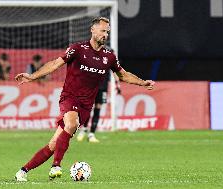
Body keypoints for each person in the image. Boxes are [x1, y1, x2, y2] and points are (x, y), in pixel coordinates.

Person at [14, 17, 155, 182]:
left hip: (86, 106)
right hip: (69, 97)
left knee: (53, 144)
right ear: (93, 30)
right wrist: (32, 76)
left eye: (107, 32)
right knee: (71, 124)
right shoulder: (77, 49)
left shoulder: (109, 57)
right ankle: (56, 166)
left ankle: (23, 171)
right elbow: (54, 64)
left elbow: (123, 75)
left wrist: (142, 82)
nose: (105, 34)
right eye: (102, 31)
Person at [76, 72, 121, 143]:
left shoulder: (110, 60)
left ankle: (91, 134)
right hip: (90, 85)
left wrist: (117, 83)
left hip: (103, 87)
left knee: (98, 108)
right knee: (88, 108)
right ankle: (84, 129)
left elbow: (115, 70)